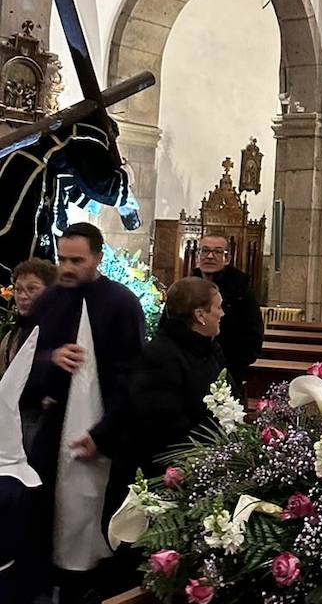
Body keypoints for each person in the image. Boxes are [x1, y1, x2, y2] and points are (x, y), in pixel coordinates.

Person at [21, 223, 145, 581]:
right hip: (55, 426)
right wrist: (50, 358)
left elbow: (134, 379)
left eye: (78, 260)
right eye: (63, 259)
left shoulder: (122, 304)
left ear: (98, 257)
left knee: (102, 525)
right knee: (49, 517)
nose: (68, 268)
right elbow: (25, 362)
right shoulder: (49, 302)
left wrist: (104, 434)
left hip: (109, 431)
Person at [127, 278, 225, 476]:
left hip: (211, 458)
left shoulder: (211, 349)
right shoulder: (161, 355)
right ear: (200, 315)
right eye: (218, 307)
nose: (222, 313)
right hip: (175, 469)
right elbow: (164, 425)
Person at [193, 234, 263, 397]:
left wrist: (232, 367)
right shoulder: (186, 287)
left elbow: (253, 335)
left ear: (227, 258)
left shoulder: (242, 292)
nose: (210, 256)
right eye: (205, 251)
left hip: (228, 371)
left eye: (217, 252)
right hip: (190, 369)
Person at [1, 258, 57, 371]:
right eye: (18, 289)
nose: (22, 296)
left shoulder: (63, 333)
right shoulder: (10, 339)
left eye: (31, 289)